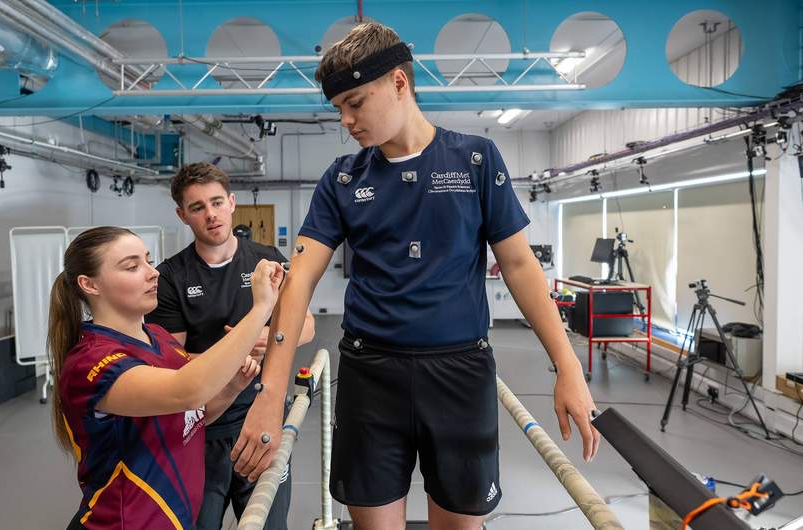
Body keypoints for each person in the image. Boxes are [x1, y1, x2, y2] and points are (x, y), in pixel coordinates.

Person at [230, 23, 601, 529]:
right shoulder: (342, 179)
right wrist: (271, 396)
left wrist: (568, 366)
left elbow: (518, 265)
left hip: (460, 375)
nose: (346, 119)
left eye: (356, 102)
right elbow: (300, 283)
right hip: (370, 375)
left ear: (399, 82)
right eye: (338, 107)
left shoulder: (474, 159)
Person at [49, 226, 284, 529]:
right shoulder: (92, 362)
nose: (152, 273)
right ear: (90, 285)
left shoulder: (158, 336)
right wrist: (262, 307)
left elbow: (189, 414)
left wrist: (231, 388)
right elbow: (187, 391)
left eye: (148, 260)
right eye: (132, 266)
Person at [145, 162, 315, 529]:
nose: (211, 215)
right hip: (203, 430)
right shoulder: (171, 277)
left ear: (232, 202)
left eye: (217, 202)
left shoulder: (266, 258)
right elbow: (171, 361)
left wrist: (267, 339)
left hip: (262, 418)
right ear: (182, 215)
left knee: (269, 524)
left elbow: (309, 325)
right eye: (197, 207)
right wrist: (234, 352)